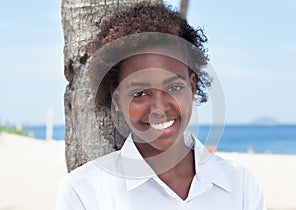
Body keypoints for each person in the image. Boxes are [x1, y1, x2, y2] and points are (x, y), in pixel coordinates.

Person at [57, 2, 266, 209]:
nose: (159, 108)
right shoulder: (85, 192)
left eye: (174, 88)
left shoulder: (240, 186)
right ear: (117, 97)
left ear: (192, 87)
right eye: (140, 93)